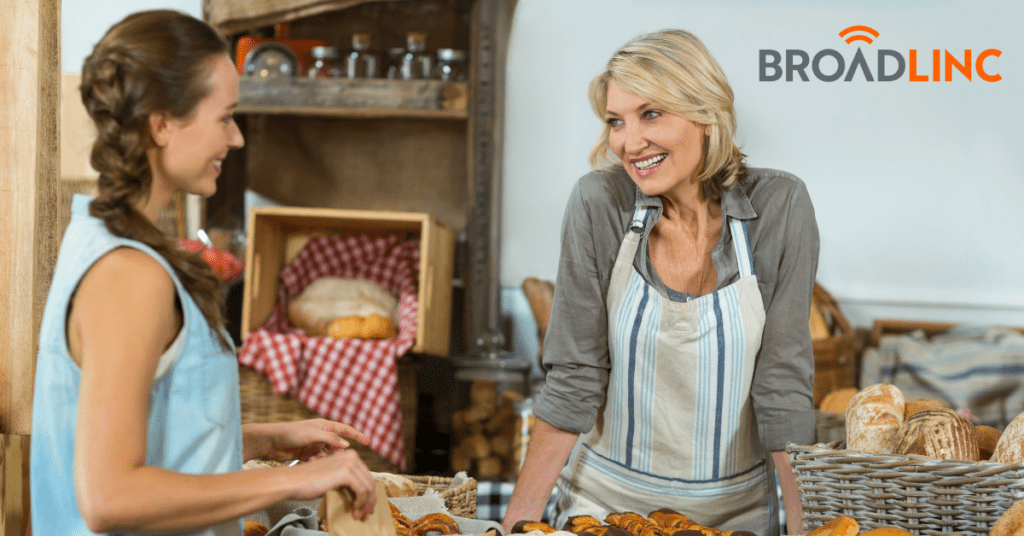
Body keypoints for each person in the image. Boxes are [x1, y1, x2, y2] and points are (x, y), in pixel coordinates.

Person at [30, 10, 377, 535]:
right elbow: (109, 496)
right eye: (225, 117)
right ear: (162, 123)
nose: (236, 139)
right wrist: (290, 482)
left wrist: (265, 439)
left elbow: (149, 435)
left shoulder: (101, 240)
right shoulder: (130, 274)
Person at [502, 29, 818, 536]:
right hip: (601, 513)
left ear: (705, 113)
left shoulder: (780, 208)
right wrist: (514, 525)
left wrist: (806, 530)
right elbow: (574, 378)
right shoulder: (599, 204)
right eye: (615, 122)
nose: (629, 142)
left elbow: (782, 388)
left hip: (734, 519)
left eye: (650, 114)